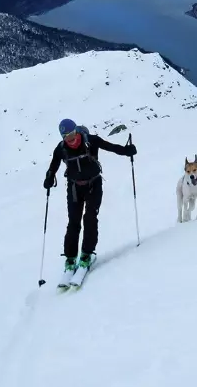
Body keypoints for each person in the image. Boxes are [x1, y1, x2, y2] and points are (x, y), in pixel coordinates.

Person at [43, 118, 137, 276]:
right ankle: (70, 258)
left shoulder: (91, 140)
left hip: (94, 184)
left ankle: (86, 254)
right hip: (74, 187)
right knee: (73, 221)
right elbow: (53, 165)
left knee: (90, 217)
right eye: (66, 137)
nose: (70, 139)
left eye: (72, 134)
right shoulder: (61, 149)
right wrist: (49, 177)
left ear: (77, 131)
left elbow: (110, 147)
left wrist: (127, 151)